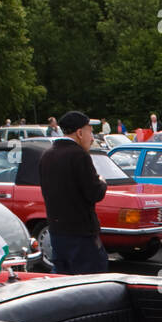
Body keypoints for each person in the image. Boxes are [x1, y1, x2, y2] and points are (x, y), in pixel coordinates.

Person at [38, 111, 108, 274]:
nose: (91, 138)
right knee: (91, 283)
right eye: (90, 132)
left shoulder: (46, 156)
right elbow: (94, 193)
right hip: (81, 233)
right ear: (79, 132)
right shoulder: (79, 155)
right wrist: (102, 182)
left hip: (56, 231)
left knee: (63, 282)